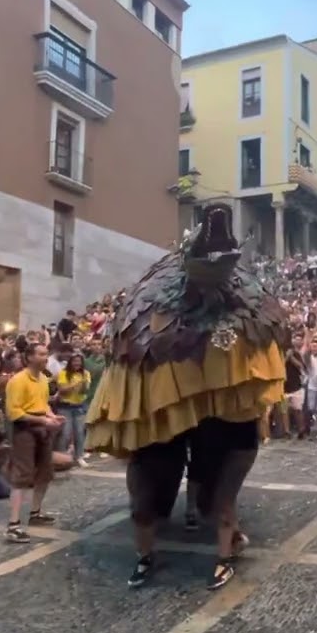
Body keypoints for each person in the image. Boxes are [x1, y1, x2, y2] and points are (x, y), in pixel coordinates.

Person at [85, 206, 287, 591]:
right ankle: (146, 555)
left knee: (221, 499)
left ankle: (224, 548)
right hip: (166, 429)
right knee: (146, 496)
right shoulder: (153, 302)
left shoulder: (243, 307)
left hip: (223, 427)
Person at [4, 342, 64, 544]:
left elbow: (44, 404)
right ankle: (13, 525)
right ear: (29, 357)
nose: (45, 357)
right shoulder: (18, 381)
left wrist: (52, 416)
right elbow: (14, 412)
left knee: (45, 473)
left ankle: (35, 512)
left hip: (43, 427)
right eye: (41, 354)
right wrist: (42, 420)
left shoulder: (44, 379)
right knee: (22, 475)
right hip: (24, 429)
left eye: (46, 353)